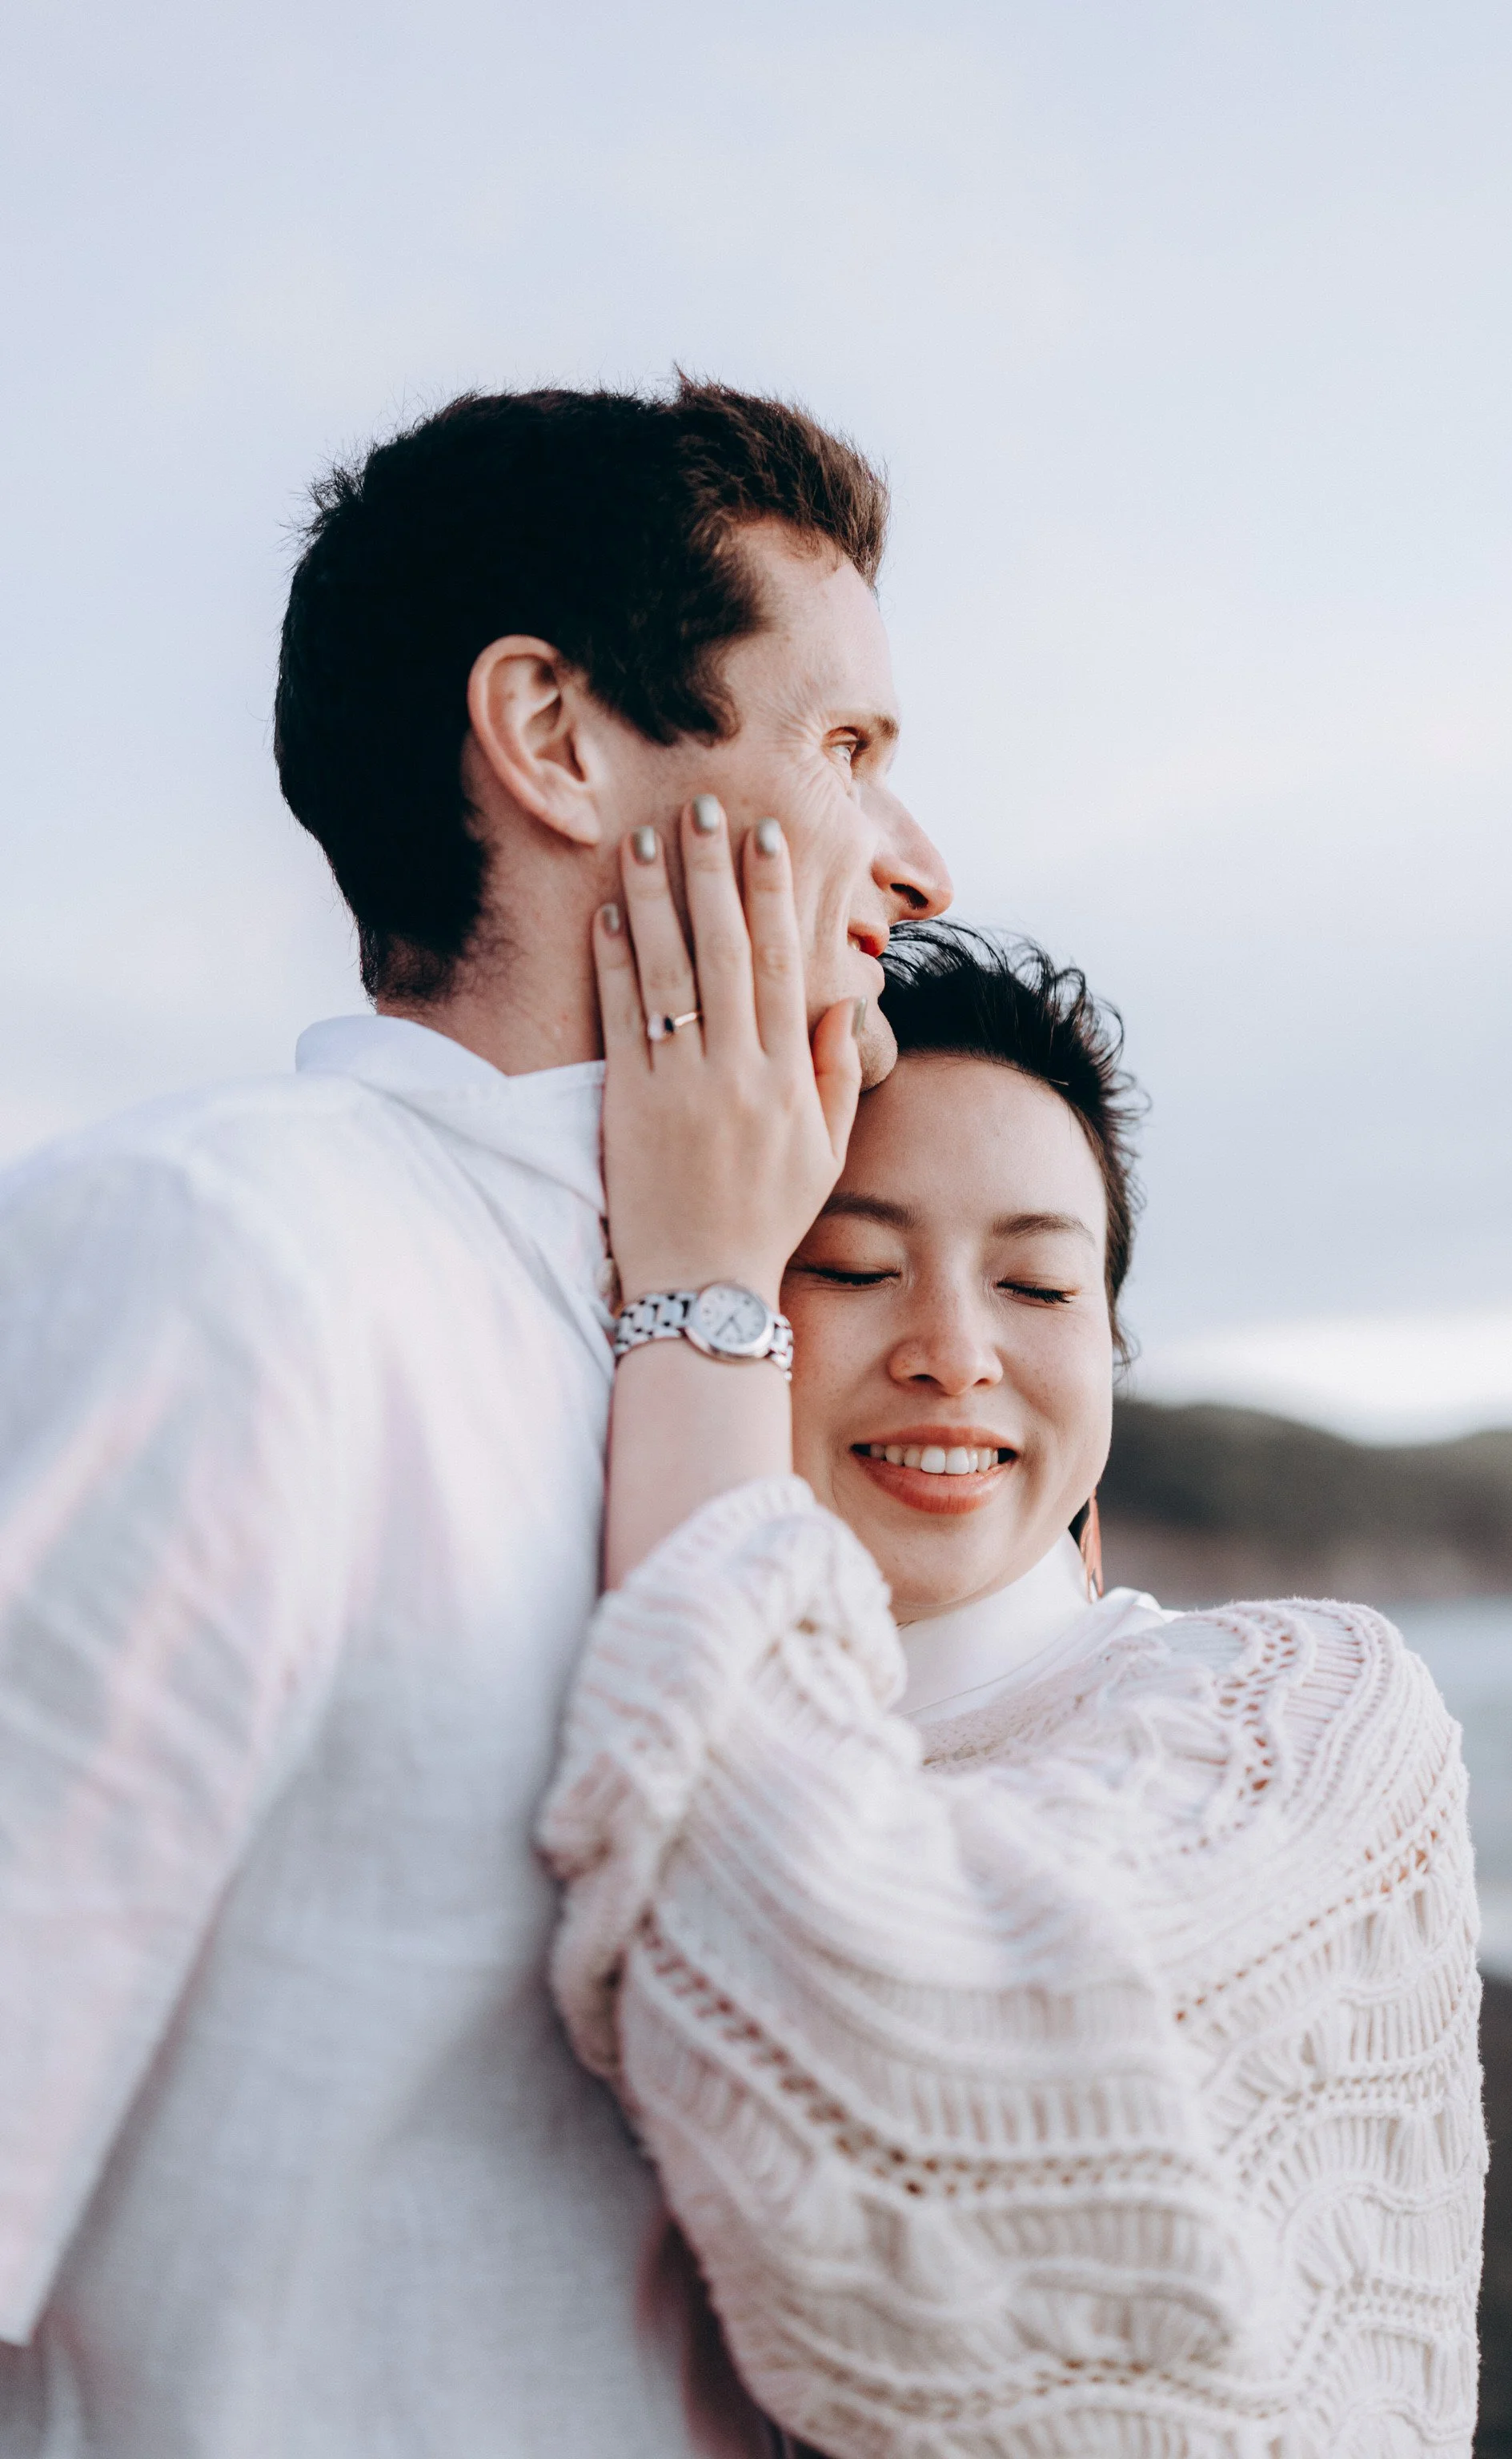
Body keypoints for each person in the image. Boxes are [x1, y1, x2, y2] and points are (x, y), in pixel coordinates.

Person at [0, 379, 950, 2457]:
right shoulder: (219, 1254)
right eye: (848, 748)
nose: (921, 859)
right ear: (557, 741)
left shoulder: (756, 1359)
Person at [542, 863, 1486, 2456]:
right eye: (846, 1264)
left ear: (1104, 1354)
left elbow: (897, 2054)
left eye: (1038, 1283)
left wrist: (704, 1298)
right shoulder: (579, 1696)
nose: (955, 1351)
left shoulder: (1311, 1712)